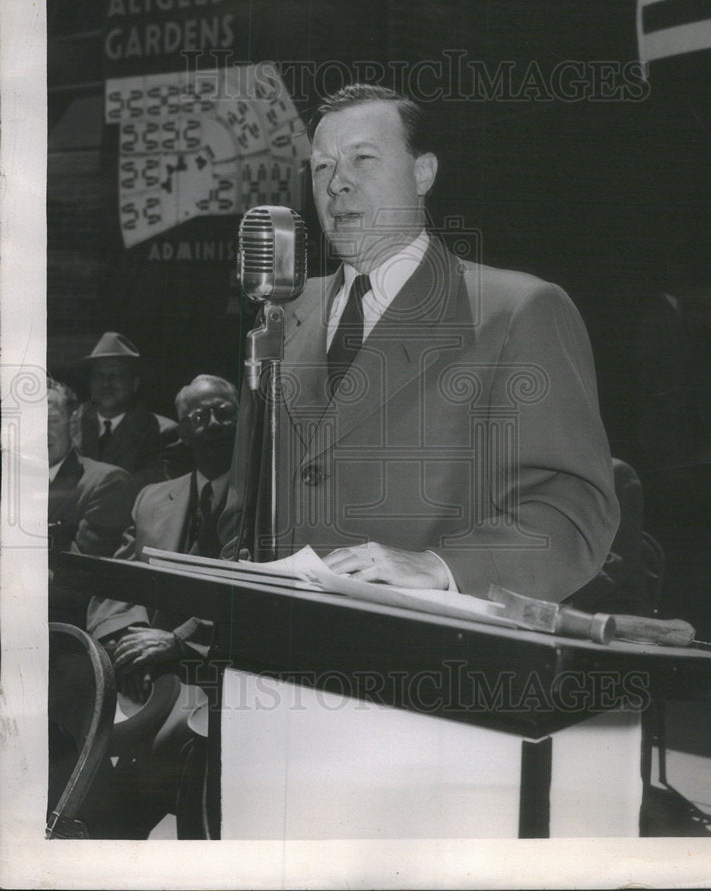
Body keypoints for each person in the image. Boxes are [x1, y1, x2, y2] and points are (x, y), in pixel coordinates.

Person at [225, 84, 619, 603]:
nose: (337, 183)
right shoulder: (284, 311)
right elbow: (243, 504)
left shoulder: (517, 309)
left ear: (423, 173)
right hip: (273, 649)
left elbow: (571, 512)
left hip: (425, 663)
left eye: (362, 159)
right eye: (322, 168)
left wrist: (443, 567)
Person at [85, 374, 238, 838]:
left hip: (217, 667)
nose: (212, 423)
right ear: (183, 432)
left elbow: (254, 593)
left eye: (224, 412)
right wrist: (126, 638)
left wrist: (175, 641)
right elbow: (116, 583)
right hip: (146, 670)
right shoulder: (153, 499)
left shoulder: (269, 503)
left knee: (154, 764)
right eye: (198, 416)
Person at [47, 377, 136, 624]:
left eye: (49, 421)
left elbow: (79, 587)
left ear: (73, 421)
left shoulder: (108, 483)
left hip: (61, 635)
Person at [72, 331, 175, 489]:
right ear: (91, 383)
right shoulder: (68, 425)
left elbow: (160, 495)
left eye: (116, 375)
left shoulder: (163, 434)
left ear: (134, 384)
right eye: (99, 376)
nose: (106, 383)